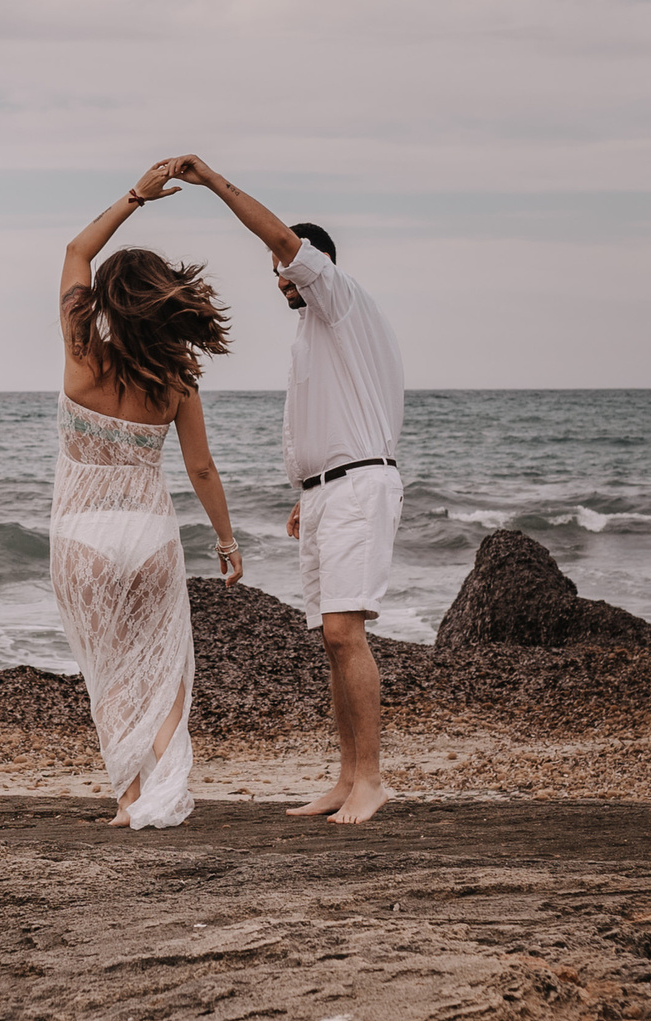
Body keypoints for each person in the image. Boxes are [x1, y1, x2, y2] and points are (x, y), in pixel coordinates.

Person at [170, 154, 406, 825]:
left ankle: (373, 780)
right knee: (332, 640)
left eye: (287, 267)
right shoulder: (318, 330)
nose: (280, 278)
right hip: (333, 489)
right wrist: (308, 490)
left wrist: (214, 182)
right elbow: (334, 415)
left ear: (314, 263)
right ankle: (346, 778)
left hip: (360, 487)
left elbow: (281, 240)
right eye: (277, 275)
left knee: (343, 631)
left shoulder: (339, 296)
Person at [54, 158, 245, 829]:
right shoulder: (178, 377)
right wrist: (226, 541)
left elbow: (78, 248)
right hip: (151, 535)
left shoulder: (83, 357)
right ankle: (166, 788)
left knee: (109, 669)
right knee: (162, 668)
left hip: (82, 536)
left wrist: (137, 195)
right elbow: (201, 470)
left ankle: (132, 800)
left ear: (106, 302)